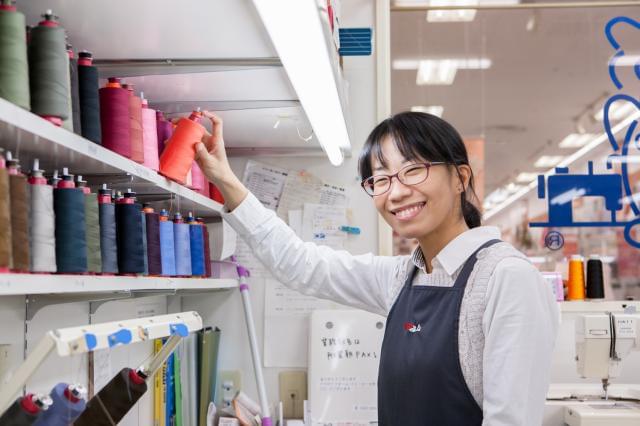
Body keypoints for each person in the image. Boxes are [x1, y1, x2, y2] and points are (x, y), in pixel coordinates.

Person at [194, 110, 558, 426]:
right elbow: (300, 264)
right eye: (381, 179)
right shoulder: (403, 277)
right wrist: (225, 180)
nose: (396, 193)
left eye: (413, 170)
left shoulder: (506, 278)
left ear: (461, 178)